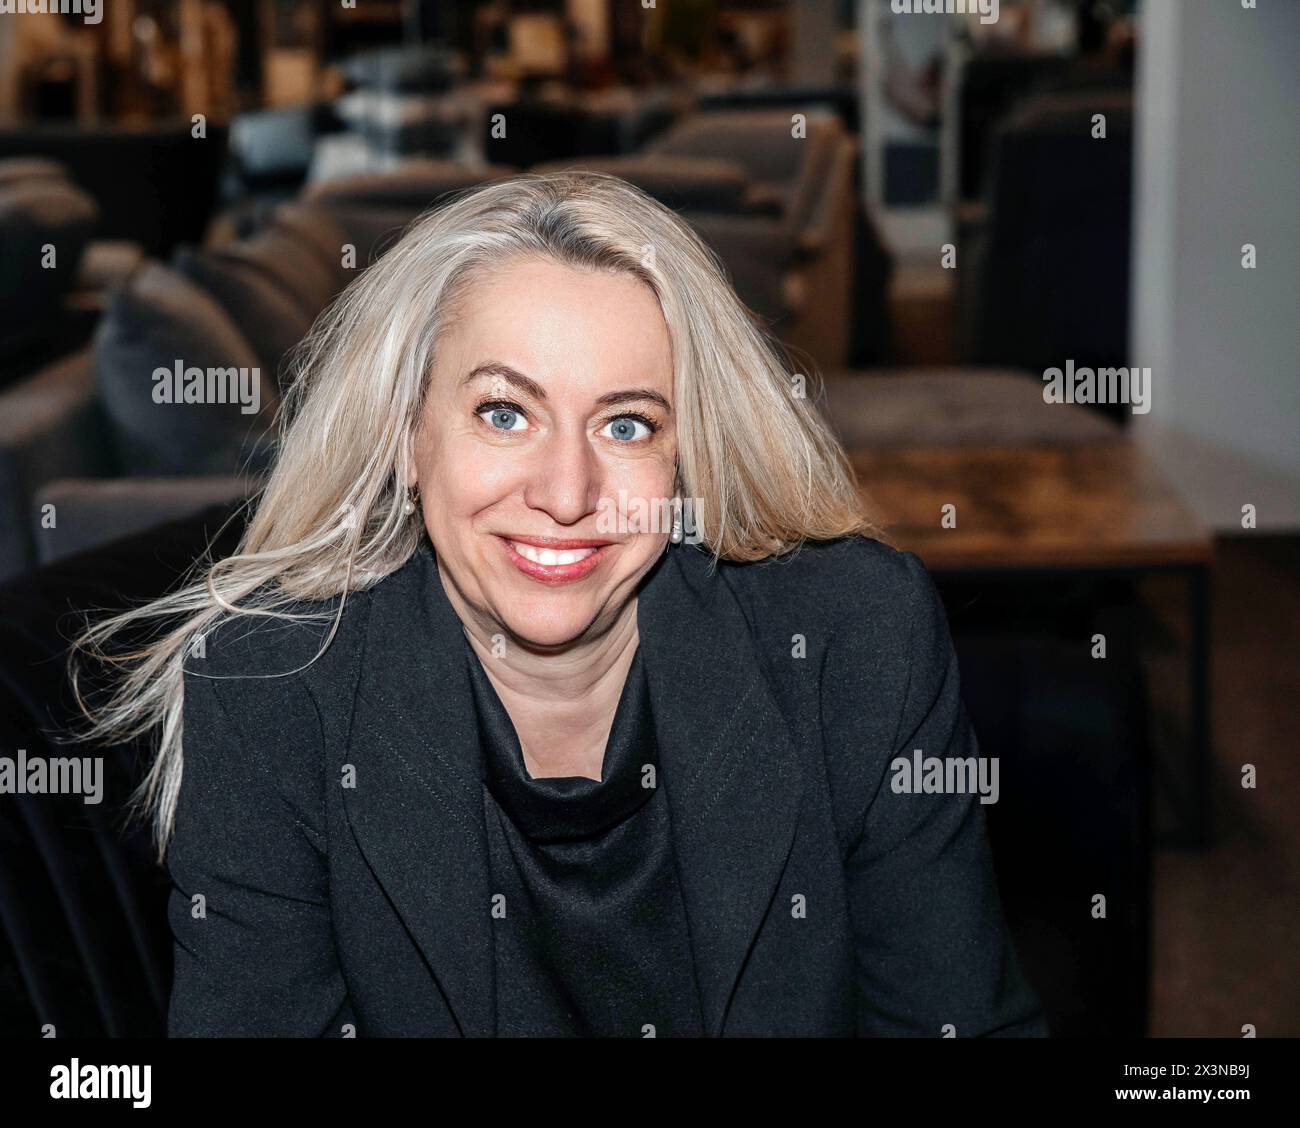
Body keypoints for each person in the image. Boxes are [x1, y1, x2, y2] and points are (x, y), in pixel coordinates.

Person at [73, 171, 1047, 1038]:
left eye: (626, 425)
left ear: (686, 459)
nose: (567, 490)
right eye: (505, 412)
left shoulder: (856, 636)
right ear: (409, 438)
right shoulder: (270, 686)